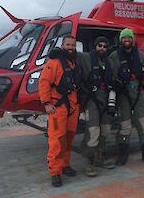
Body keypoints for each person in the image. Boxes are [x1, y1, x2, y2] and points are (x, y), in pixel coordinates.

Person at [109, 28, 144, 166]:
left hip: (139, 93)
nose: (127, 40)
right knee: (125, 125)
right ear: (121, 40)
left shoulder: (140, 56)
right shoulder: (114, 57)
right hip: (123, 94)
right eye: (124, 38)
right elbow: (110, 76)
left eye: (129, 37)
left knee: (143, 123)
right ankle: (123, 154)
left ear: (132, 39)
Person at [39, 35, 81, 187]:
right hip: (58, 108)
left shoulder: (75, 63)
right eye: (68, 44)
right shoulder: (54, 63)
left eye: (73, 45)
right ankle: (55, 172)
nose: (71, 47)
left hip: (73, 107)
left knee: (68, 139)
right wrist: (46, 103)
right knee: (57, 140)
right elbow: (44, 82)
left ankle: (65, 165)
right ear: (63, 45)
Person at [78, 36, 115, 177]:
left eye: (105, 46)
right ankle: (89, 161)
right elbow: (72, 54)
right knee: (93, 130)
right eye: (99, 45)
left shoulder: (110, 62)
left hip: (106, 99)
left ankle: (100, 156)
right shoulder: (86, 58)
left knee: (105, 130)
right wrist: (59, 52)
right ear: (95, 46)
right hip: (92, 100)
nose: (102, 48)